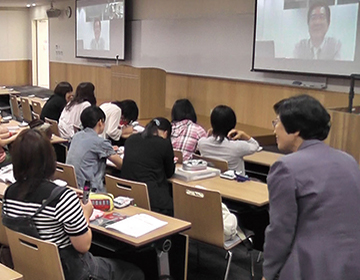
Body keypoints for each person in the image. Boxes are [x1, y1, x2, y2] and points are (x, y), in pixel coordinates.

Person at [2, 129, 144, 280]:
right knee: (134, 272)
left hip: (31, 268)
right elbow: (83, 246)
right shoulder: (62, 198)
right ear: (50, 159)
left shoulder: (9, 194)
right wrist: (85, 213)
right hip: (69, 272)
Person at [262, 95, 360, 280]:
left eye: (277, 122)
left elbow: (281, 230)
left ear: (296, 129)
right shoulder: (349, 160)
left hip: (311, 266)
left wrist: (268, 273)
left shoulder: (286, 167)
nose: (274, 129)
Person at [121, 118, 175, 216]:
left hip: (127, 194)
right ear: (166, 133)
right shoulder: (164, 144)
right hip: (152, 199)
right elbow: (169, 172)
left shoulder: (131, 139)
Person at [66, 106, 122, 192]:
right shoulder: (100, 142)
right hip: (89, 190)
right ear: (100, 122)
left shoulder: (77, 136)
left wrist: (108, 149)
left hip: (72, 185)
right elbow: (121, 164)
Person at [198, 105, 259, 175]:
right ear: (233, 124)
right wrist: (243, 135)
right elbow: (255, 145)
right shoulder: (237, 147)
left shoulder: (202, 143)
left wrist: (211, 133)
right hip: (234, 183)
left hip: (211, 182)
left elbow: (205, 139)